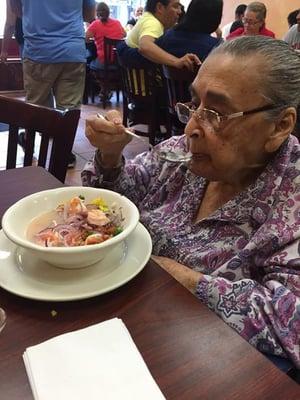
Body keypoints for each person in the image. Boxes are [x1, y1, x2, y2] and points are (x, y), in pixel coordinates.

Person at [82, 36, 300, 369]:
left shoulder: (290, 198)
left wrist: (170, 274)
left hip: (202, 368)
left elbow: (291, 319)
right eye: (194, 104)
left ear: (280, 125)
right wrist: (111, 157)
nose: (191, 128)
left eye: (217, 113)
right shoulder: (182, 154)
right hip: (112, 328)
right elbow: (113, 204)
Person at [12, 0, 95, 168]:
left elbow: (17, 10)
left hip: (38, 48)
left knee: (37, 106)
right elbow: (89, 15)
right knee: (69, 108)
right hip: (72, 50)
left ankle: (30, 145)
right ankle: (64, 154)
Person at [118, 0, 200, 70]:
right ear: (160, 8)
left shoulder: (147, 18)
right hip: (145, 86)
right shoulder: (153, 23)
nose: (180, 11)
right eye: (175, 7)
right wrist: (177, 62)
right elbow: (145, 47)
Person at [156, 0, 223, 62]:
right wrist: (219, 37)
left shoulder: (167, 36)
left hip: (167, 75)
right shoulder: (217, 48)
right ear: (216, 18)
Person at [86, 2, 125, 71]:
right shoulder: (117, 23)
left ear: (96, 13)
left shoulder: (95, 24)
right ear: (108, 12)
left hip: (103, 62)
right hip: (118, 62)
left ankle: (99, 81)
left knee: (89, 62)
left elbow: (85, 38)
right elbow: (124, 35)